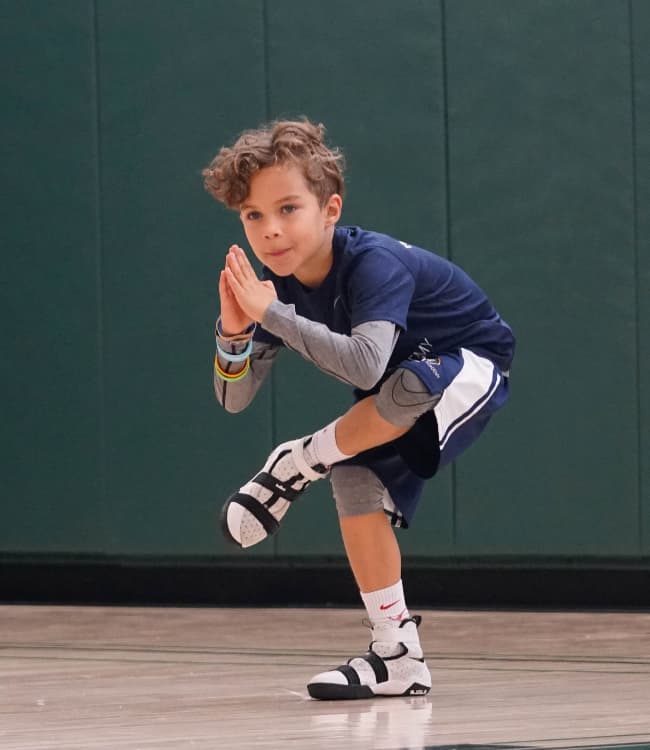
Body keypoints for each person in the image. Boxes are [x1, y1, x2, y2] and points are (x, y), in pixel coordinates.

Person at [202, 119, 515, 701]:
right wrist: (234, 332)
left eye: (288, 208)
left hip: (466, 359)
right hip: (396, 382)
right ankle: (397, 656)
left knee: (406, 387)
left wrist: (272, 317)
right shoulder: (277, 289)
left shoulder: (373, 263)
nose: (270, 230)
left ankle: (295, 463)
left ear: (330, 209)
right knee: (353, 479)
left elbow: (368, 367)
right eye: (253, 215)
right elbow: (233, 398)